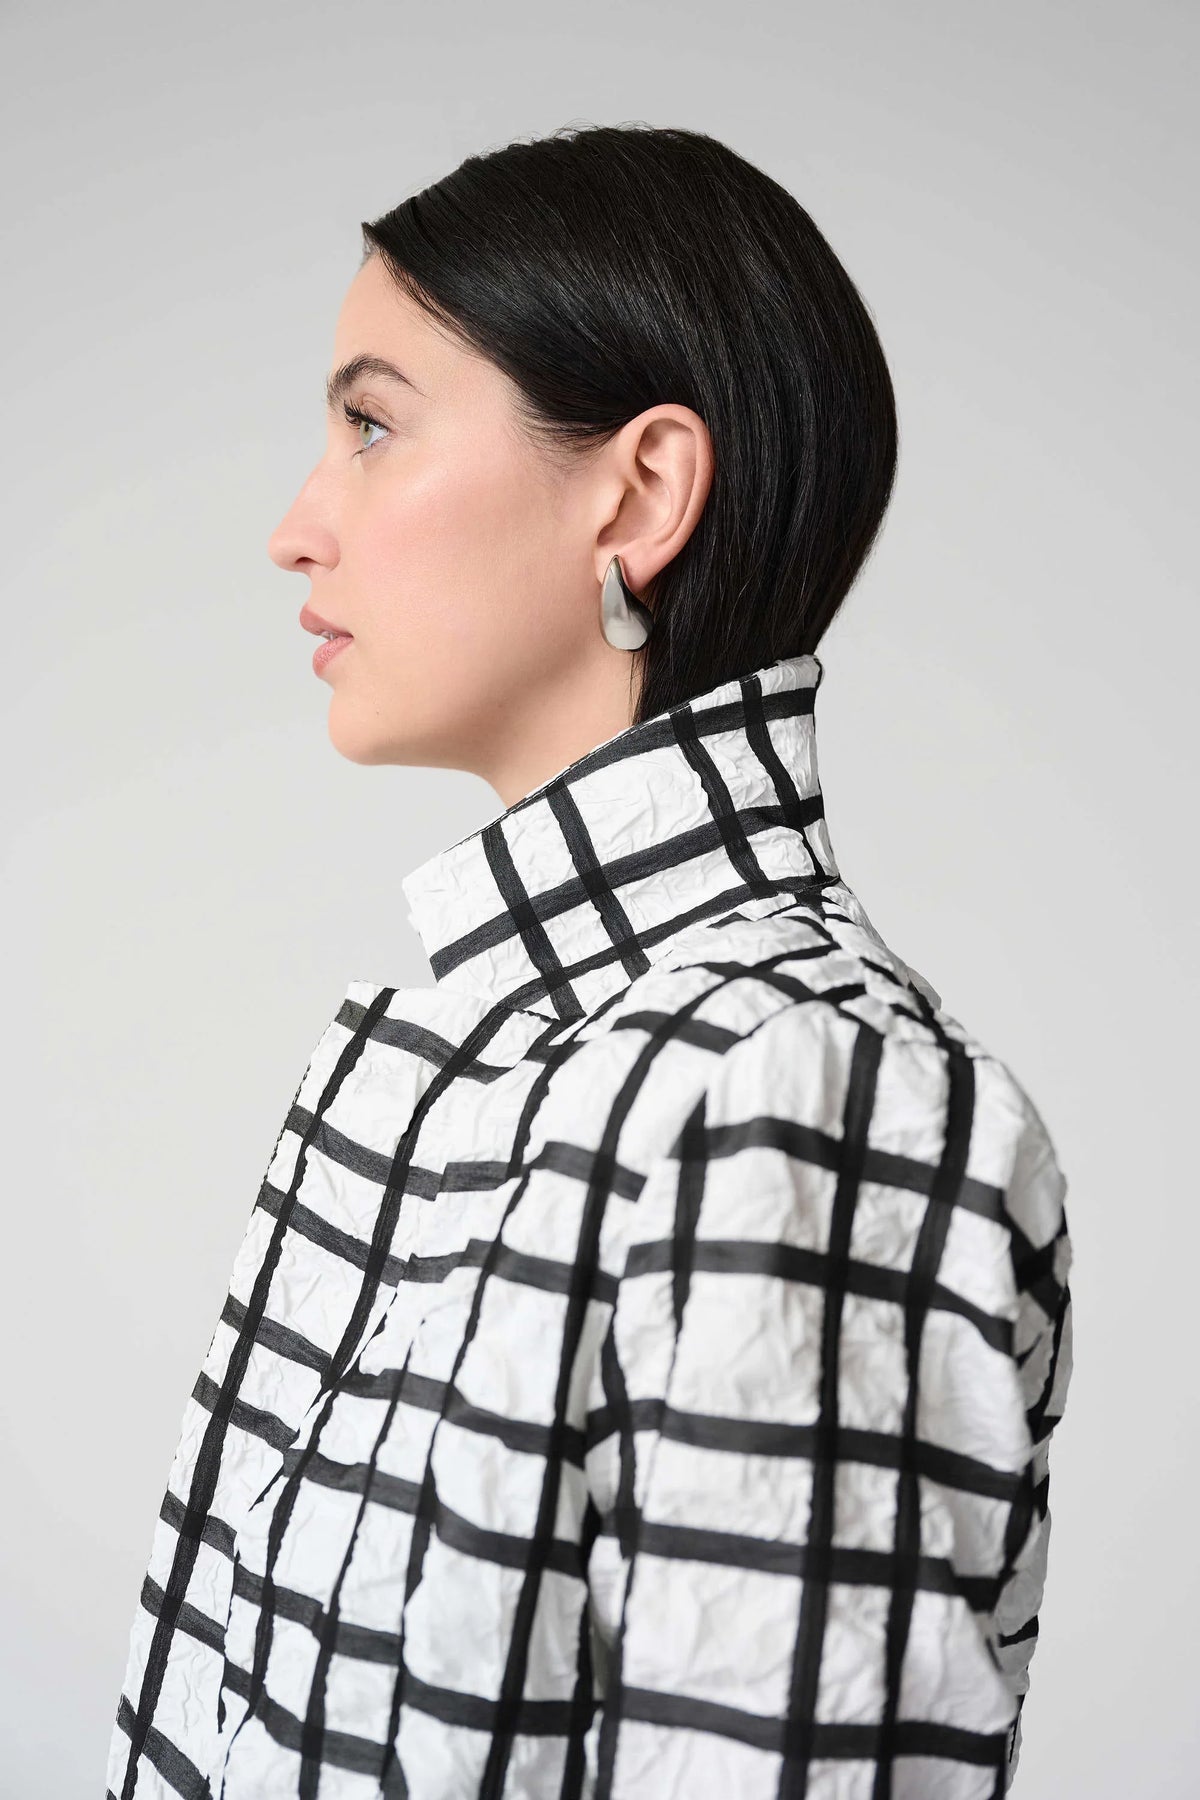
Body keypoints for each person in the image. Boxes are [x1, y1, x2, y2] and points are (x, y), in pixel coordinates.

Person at [105, 123, 1073, 1799]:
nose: (296, 528)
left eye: (371, 426)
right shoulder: (457, 1062)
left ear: (638, 494)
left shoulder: (797, 1095)